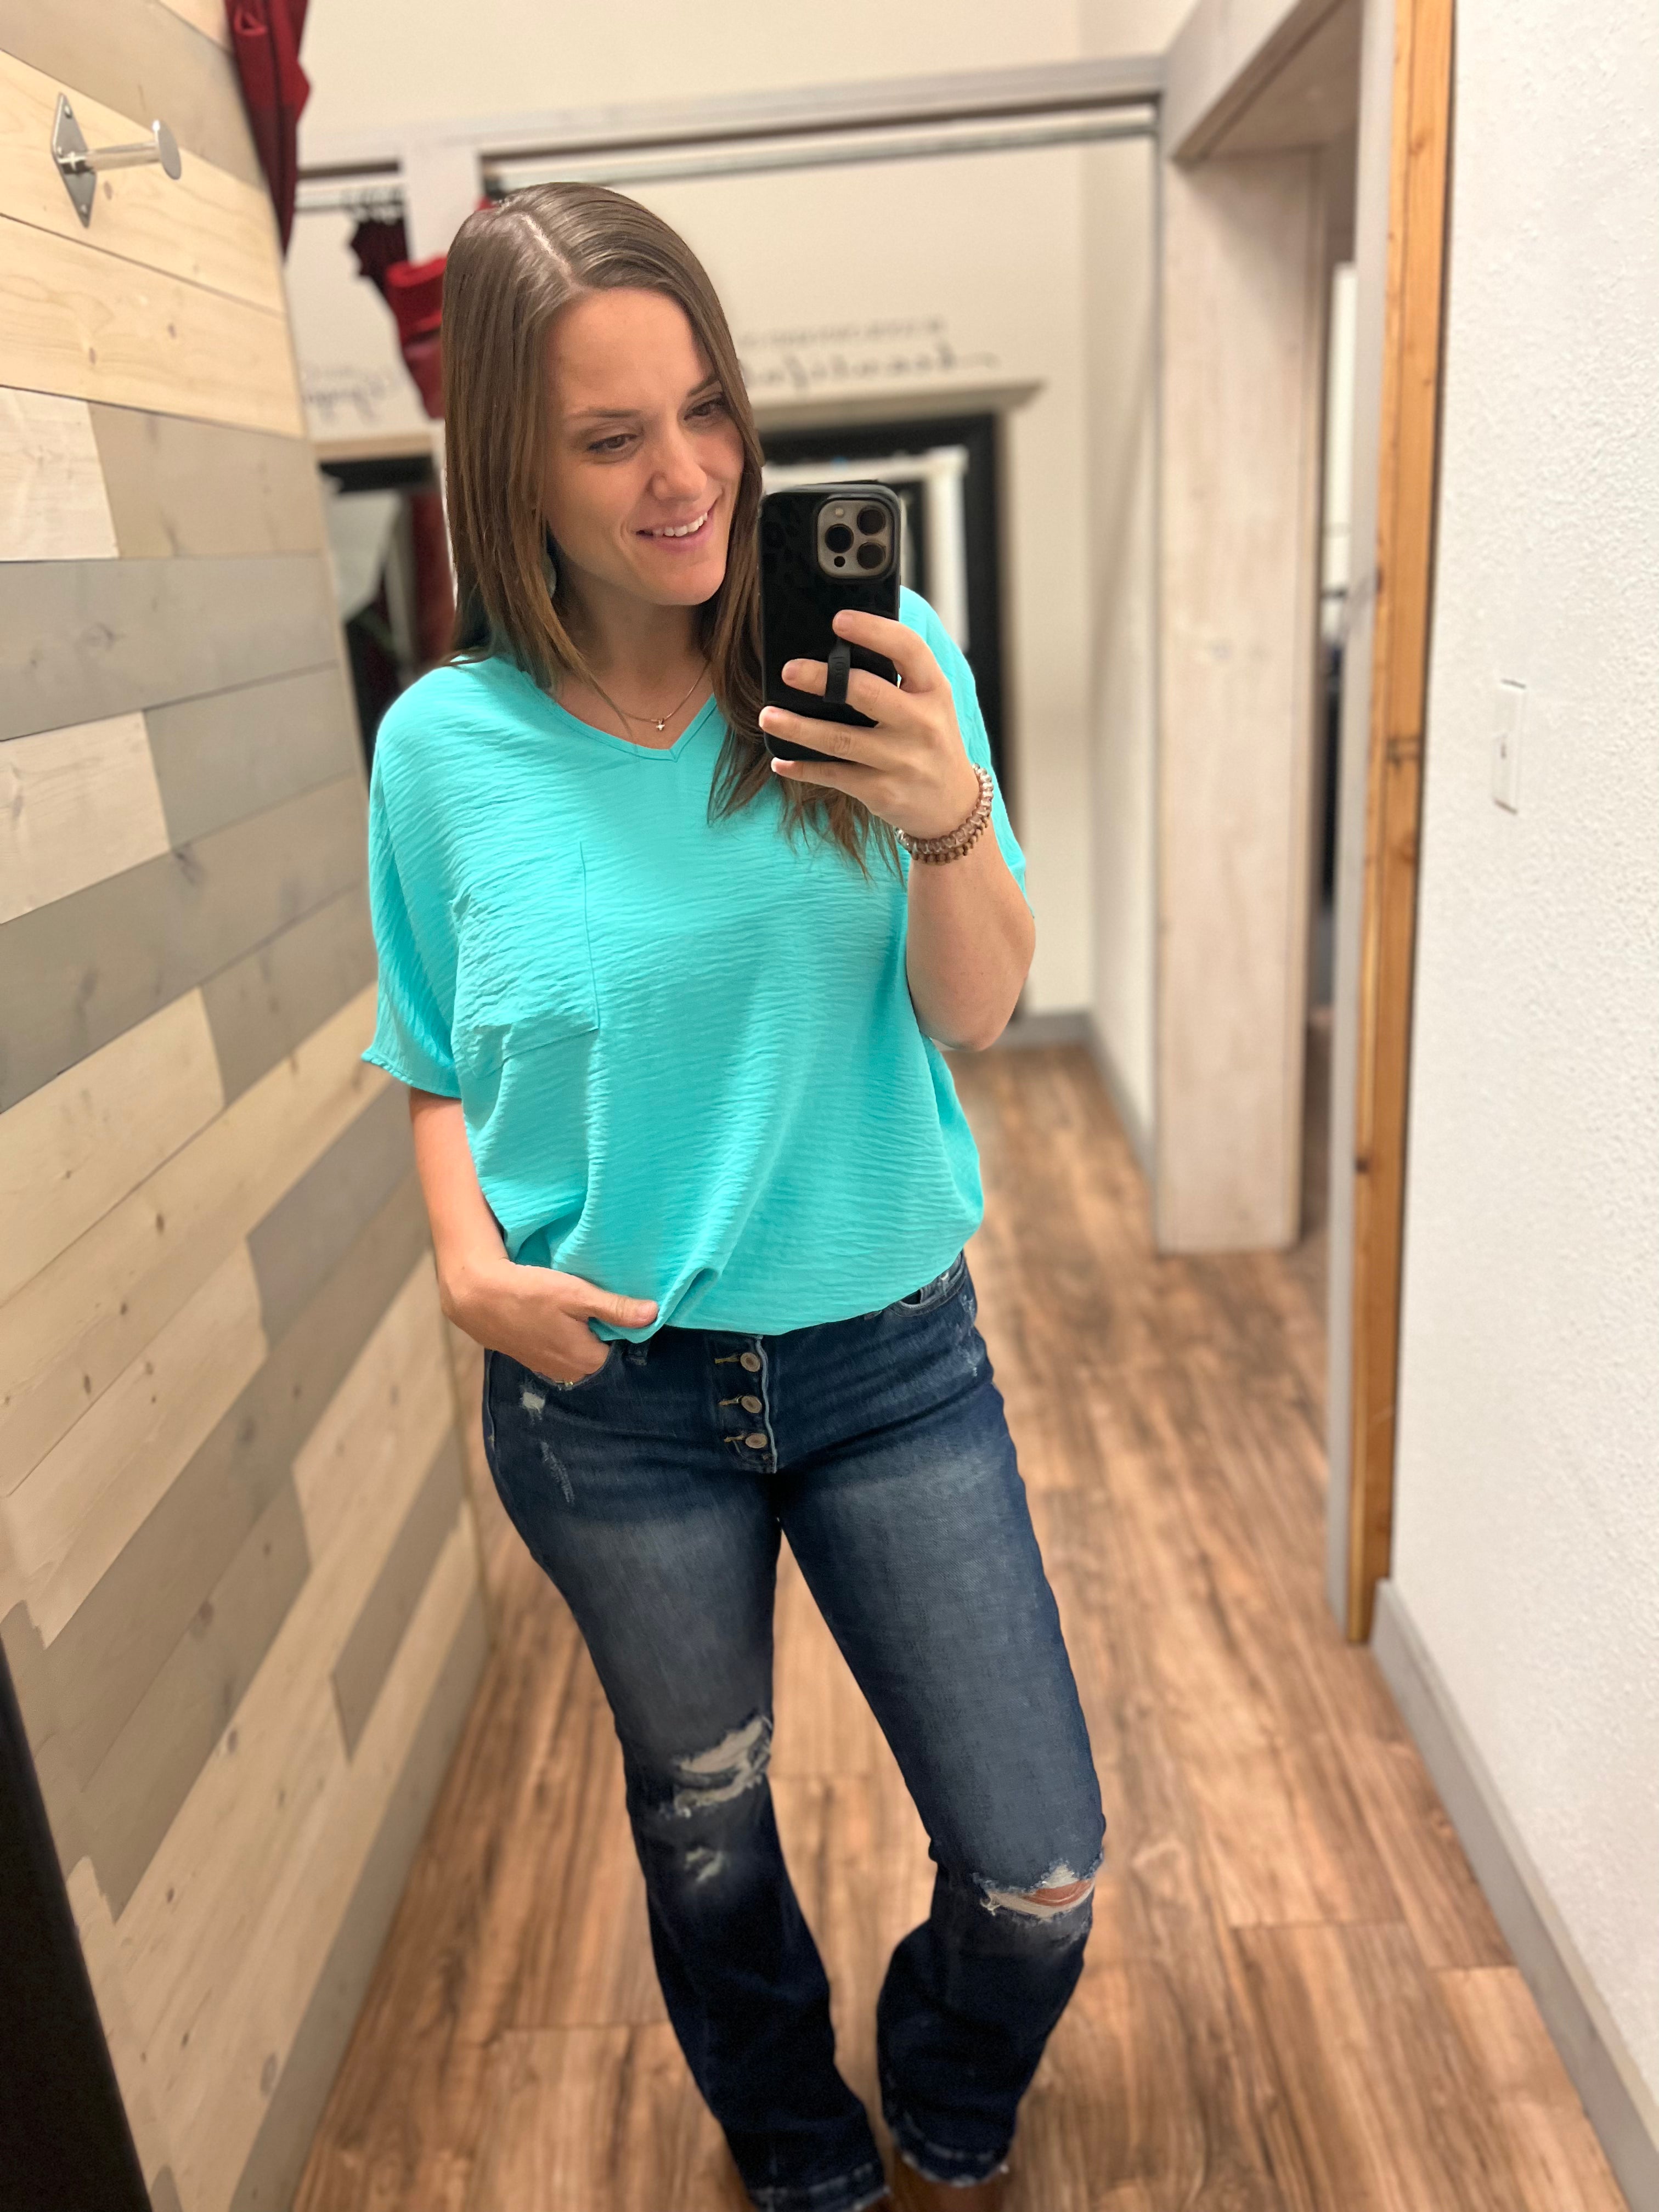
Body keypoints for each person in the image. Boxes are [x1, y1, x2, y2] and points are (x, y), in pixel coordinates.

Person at [364, 181, 1104, 2212]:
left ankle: (946, 2054)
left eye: (706, 409)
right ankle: (791, 2137)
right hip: (609, 1403)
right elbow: (433, 1059)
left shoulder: (876, 660)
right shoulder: (443, 751)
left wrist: (945, 816)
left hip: (890, 1361)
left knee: (1038, 1864)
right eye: (612, 438)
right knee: (703, 1823)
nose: (687, 477)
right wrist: (464, 1265)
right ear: (511, 468)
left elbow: (974, 1012)